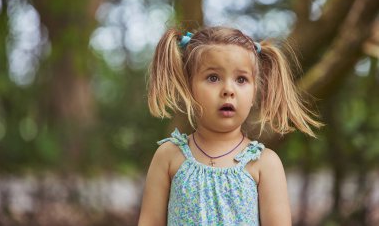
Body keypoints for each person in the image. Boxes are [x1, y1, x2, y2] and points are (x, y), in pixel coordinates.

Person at [138, 26, 322, 226]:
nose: (228, 90)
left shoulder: (265, 164)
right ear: (189, 87)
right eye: (213, 78)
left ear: (254, 93)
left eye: (241, 79)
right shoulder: (169, 156)